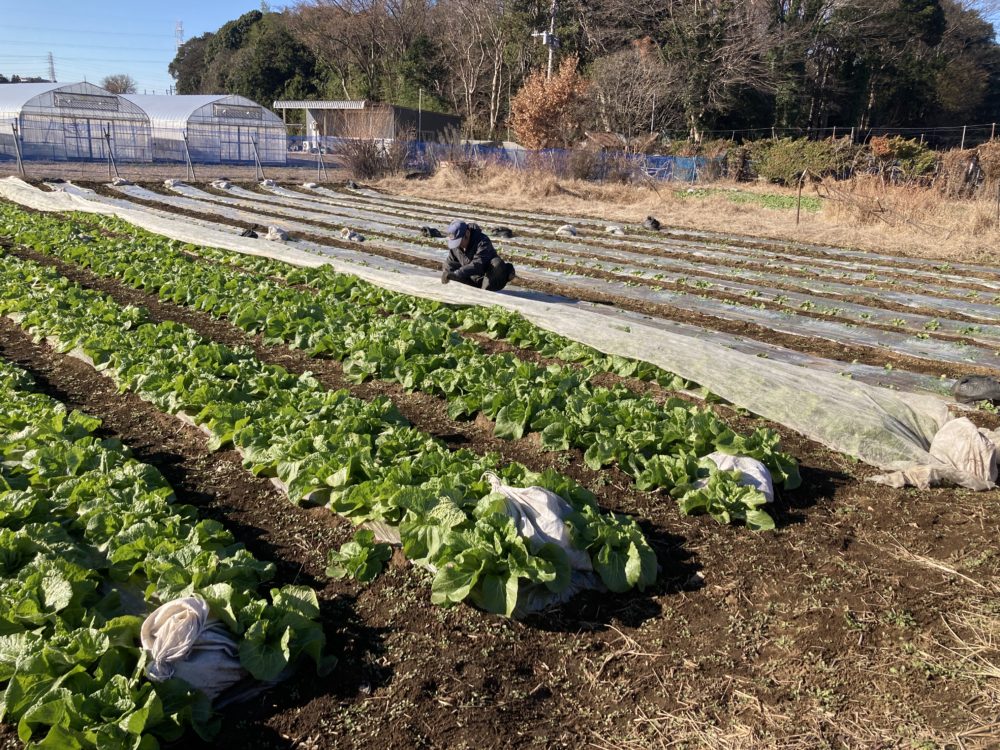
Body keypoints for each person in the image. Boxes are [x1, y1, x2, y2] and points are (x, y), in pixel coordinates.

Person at [441, 220, 516, 291]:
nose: (458, 245)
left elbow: (478, 264)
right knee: (447, 264)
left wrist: (458, 273)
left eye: (459, 241)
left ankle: (484, 294)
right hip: (470, 278)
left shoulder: (483, 241)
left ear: (467, 233)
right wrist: (448, 275)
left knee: (497, 263)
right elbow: (450, 262)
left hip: (486, 278)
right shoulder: (456, 247)